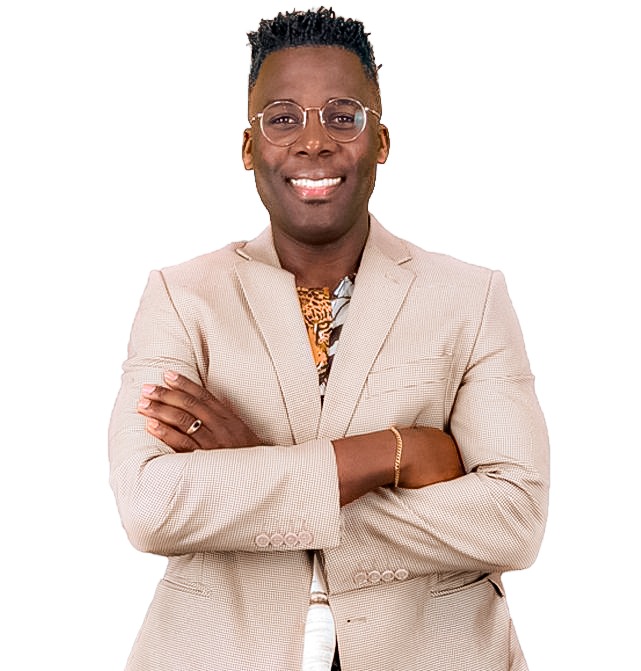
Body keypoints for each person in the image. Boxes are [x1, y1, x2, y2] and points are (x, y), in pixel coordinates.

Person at [109, 8, 549, 670]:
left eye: (343, 117)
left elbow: (515, 518)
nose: (313, 141)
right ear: (248, 147)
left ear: (381, 141)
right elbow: (150, 506)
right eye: (282, 118)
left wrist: (254, 470)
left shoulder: (470, 296)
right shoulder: (183, 295)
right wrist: (395, 453)